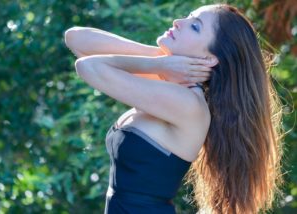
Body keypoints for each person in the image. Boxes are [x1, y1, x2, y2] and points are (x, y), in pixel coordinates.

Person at [65, 3, 284, 214]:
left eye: (194, 26)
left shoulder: (187, 104)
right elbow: (76, 38)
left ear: (208, 58)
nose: (179, 22)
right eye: (188, 17)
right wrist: (165, 60)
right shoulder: (171, 83)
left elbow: (87, 66)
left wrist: (158, 64)